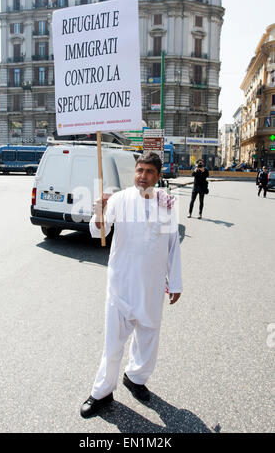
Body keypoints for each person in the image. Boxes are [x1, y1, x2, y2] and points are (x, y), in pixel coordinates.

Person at [80, 152, 182, 418]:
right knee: (113, 342)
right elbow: (97, 231)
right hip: (121, 286)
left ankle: (135, 378)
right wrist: (99, 212)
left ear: (158, 176)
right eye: (139, 170)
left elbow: (173, 246)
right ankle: (102, 392)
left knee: (148, 337)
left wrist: (176, 281)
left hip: (151, 286)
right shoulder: (119, 199)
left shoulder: (167, 203)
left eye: (149, 171)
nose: (142, 176)